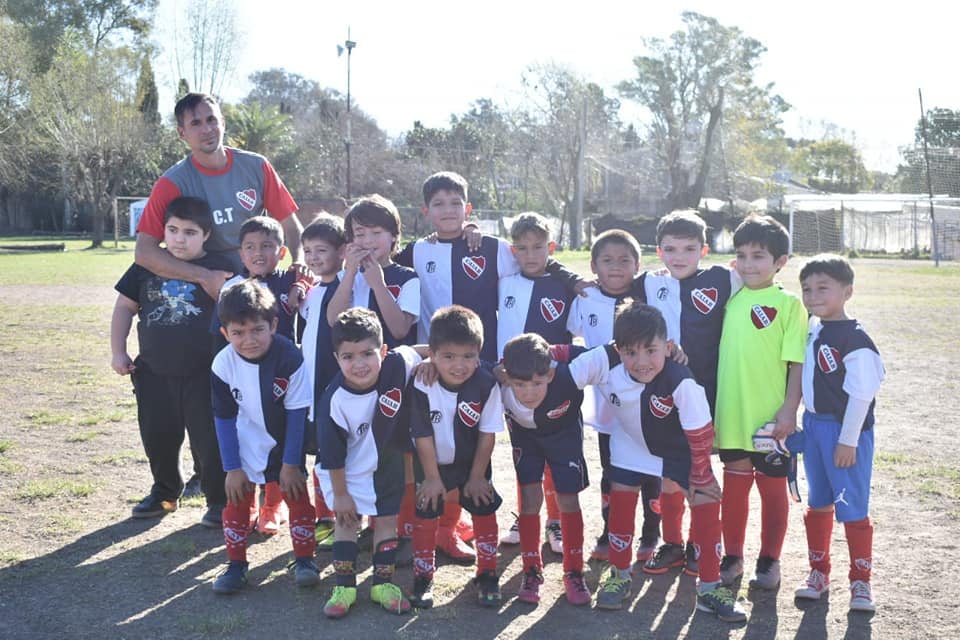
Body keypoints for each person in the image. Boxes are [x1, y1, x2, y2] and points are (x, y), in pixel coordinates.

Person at [560, 303, 746, 621]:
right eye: (631, 352)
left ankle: (711, 587)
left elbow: (700, 430)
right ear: (618, 350)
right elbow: (564, 367)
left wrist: (701, 473)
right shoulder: (604, 360)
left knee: (705, 499)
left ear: (668, 347)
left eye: (651, 350)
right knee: (620, 501)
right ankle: (619, 576)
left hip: (678, 447)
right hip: (630, 445)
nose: (642, 361)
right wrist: (533, 356)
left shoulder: (681, 380)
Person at [110, 196, 229, 527]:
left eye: (190, 232)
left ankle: (218, 500)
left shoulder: (218, 268)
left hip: (204, 373)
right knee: (158, 436)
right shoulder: (147, 265)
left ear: (206, 235)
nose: (179, 238)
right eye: (173, 230)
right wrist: (118, 351)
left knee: (209, 440)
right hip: (153, 373)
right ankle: (165, 491)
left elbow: (236, 310)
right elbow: (124, 308)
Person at [638, 210, 741, 577]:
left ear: (704, 250)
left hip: (711, 392)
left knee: (702, 469)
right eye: (670, 249)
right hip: (665, 395)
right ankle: (672, 543)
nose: (679, 256)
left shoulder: (725, 278)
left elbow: (761, 273)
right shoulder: (649, 282)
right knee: (670, 471)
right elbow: (607, 282)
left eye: (688, 248)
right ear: (659, 250)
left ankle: (701, 544)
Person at [714, 214, 807, 591]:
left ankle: (770, 559)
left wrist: (788, 410)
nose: (748, 264)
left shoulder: (788, 305)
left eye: (759, 256)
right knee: (734, 489)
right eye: (741, 255)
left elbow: (797, 363)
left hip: (770, 419)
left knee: (772, 490)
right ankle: (732, 555)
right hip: (732, 414)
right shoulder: (730, 296)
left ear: (780, 262)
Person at [134, 92, 303, 300]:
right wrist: (204, 276)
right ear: (182, 133)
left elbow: (292, 227)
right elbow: (144, 252)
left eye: (211, 120)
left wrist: (300, 264)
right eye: (195, 123)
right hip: (205, 291)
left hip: (259, 286)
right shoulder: (172, 183)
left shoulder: (257, 167)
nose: (206, 129)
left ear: (223, 122)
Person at [209, 281, 317, 594]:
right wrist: (232, 467)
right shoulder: (222, 364)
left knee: (296, 493)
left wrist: (291, 463)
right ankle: (236, 565)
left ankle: (304, 559)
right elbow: (224, 418)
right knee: (237, 498)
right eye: (238, 333)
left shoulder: (289, 357)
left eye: (257, 330)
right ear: (225, 333)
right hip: (244, 444)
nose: (249, 340)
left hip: (284, 442)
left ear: (273, 325)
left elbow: (297, 413)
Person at [315, 307, 424, 618]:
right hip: (344, 471)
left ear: (384, 351)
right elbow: (332, 455)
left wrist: (432, 362)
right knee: (347, 522)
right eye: (348, 356)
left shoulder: (397, 364)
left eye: (367, 353)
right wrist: (342, 495)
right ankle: (344, 586)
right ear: (336, 359)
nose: (359, 364)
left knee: (387, 520)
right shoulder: (333, 401)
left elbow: (421, 351)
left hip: (386, 461)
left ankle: (383, 584)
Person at [794, 254, 884, 612]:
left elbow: (862, 394)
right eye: (807, 289)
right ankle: (818, 572)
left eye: (823, 288)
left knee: (851, 506)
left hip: (845, 433)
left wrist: (848, 439)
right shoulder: (813, 329)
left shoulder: (856, 339)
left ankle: (861, 582)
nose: (813, 295)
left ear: (847, 292)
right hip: (814, 427)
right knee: (819, 501)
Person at [565, 229, 656, 564]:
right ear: (593, 265)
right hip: (606, 405)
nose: (616, 267)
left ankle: (651, 534)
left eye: (624, 260)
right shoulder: (585, 300)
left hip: (646, 401)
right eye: (607, 260)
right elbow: (572, 336)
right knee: (612, 469)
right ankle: (610, 532)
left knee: (651, 469)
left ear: (638, 264)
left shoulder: (649, 297)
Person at [408, 306, 504, 609]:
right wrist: (433, 478)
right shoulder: (423, 381)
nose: (459, 365)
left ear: (479, 353)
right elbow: (421, 435)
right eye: (448, 357)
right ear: (433, 354)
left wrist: (477, 476)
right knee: (427, 507)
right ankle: (423, 576)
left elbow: (488, 433)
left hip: (471, 462)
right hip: (432, 463)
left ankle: (487, 573)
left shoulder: (487, 383)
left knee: (483, 503)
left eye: (468, 356)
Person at [212, 216, 302, 535]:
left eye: (267, 245)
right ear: (240, 253)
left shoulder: (293, 281)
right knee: (248, 438)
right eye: (250, 247)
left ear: (282, 251)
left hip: (284, 379)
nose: (258, 253)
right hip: (245, 378)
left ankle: (272, 506)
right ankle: (247, 504)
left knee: (277, 441)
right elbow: (220, 335)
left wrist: (301, 279)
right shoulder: (232, 289)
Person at [496, 213, 572, 556]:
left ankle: (556, 520)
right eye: (523, 248)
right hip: (515, 383)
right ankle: (526, 514)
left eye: (538, 247)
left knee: (555, 457)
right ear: (513, 251)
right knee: (523, 454)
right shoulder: (505, 281)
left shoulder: (566, 287)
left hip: (551, 384)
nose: (530, 254)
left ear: (550, 248)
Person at [500, 334, 591, 606]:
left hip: (564, 436)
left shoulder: (570, 373)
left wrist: (561, 350)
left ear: (550, 375)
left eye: (537, 383)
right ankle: (531, 570)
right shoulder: (497, 378)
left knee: (568, 498)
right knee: (529, 499)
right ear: (506, 377)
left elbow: (611, 350)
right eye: (520, 384)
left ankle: (574, 571)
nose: (529, 392)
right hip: (526, 440)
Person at [294, 215, 347, 546]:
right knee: (320, 454)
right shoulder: (310, 292)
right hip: (311, 385)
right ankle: (323, 516)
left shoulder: (349, 285)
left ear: (341, 251)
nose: (313, 258)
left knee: (342, 453)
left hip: (337, 384)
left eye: (321, 250)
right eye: (308, 251)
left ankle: (350, 516)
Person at [326, 194, 419, 348]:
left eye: (376, 232)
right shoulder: (344, 277)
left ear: (394, 236)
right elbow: (333, 320)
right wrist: (349, 273)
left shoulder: (407, 277)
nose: (368, 240)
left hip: (393, 365)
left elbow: (400, 330)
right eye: (360, 234)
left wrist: (378, 285)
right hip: (354, 366)